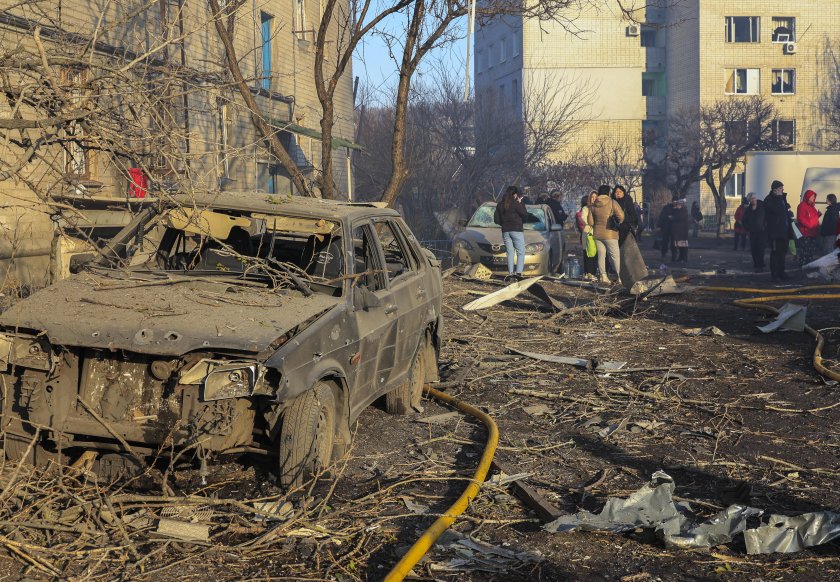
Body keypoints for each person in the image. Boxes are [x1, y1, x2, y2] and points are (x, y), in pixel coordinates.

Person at [587, 184, 625, 284]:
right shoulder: (612, 202)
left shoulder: (594, 205)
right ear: (608, 192)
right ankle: (620, 277)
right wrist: (619, 222)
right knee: (615, 256)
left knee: (601, 255)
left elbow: (590, 222)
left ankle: (603, 277)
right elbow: (621, 216)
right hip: (611, 234)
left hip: (598, 234)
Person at [494, 185, 529, 280]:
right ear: (515, 194)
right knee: (521, 252)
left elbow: (496, 220)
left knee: (510, 253)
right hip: (516, 230)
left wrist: (504, 223)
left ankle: (510, 273)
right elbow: (525, 214)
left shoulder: (500, 204)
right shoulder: (516, 203)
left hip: (505, 231)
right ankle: (518, 274)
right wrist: (521, 203)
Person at [764, 179, 792, 281]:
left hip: (784, 231)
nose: (782, 189)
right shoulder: (769, 200)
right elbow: (776, 210)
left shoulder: (782, 198)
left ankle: (781, 272)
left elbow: (785, 213)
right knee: (775, 253)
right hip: (775, 232)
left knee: (783, 253)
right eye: (780, 188)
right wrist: (779, 198)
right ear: (775, 190)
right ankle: (774, 274)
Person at [575, 191, 598, 279]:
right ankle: (587, 272)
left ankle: (593, 273)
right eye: (592, 197)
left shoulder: (599, 207)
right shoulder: (586, 208)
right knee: (587, 253)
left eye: (596, 197)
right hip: (587, 233)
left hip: (597, 233)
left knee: (595, 254)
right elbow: (584, 219)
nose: (594, 199)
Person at [796, 190, 822, 267]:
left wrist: (817, 215)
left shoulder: (813, 207)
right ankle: (803, 263)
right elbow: (801, 218)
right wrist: (810, 225)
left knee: (811, 249)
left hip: (813, 232)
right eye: (812, 196)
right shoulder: (802, 206)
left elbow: (814, 218)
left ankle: (809, 263)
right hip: (806, 232)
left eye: (814, 197)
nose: (814, 198)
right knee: (805, 249)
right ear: (808, 196)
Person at [742, 193, 767, 272]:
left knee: (761, 248)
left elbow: (767, 217)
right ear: (749, 200)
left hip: (762, 231)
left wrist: (765, 226)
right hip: (752, 232)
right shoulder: (748, 210)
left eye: (754, 198)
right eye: (752, 199)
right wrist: (748, 229)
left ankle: (760, 265)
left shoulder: (762, 206)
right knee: (754, 249)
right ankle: (756, 264)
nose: (754, 200)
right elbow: (744, 221)